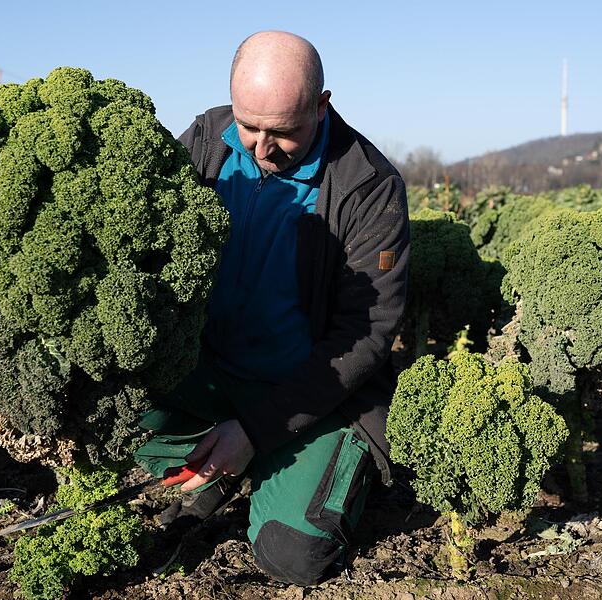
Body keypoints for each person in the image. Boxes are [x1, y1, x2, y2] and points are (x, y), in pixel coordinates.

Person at [134, 30, 409, 586]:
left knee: (293, 557)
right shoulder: (207, 138)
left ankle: (280, 461)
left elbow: (368, 334)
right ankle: (227, 458)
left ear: (322, 104)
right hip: (206, 374)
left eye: (283, 131)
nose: (261, 147)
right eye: (249, 124)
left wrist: (257, 430)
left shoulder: (368, 188)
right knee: (108, 427)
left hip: (312, 395)